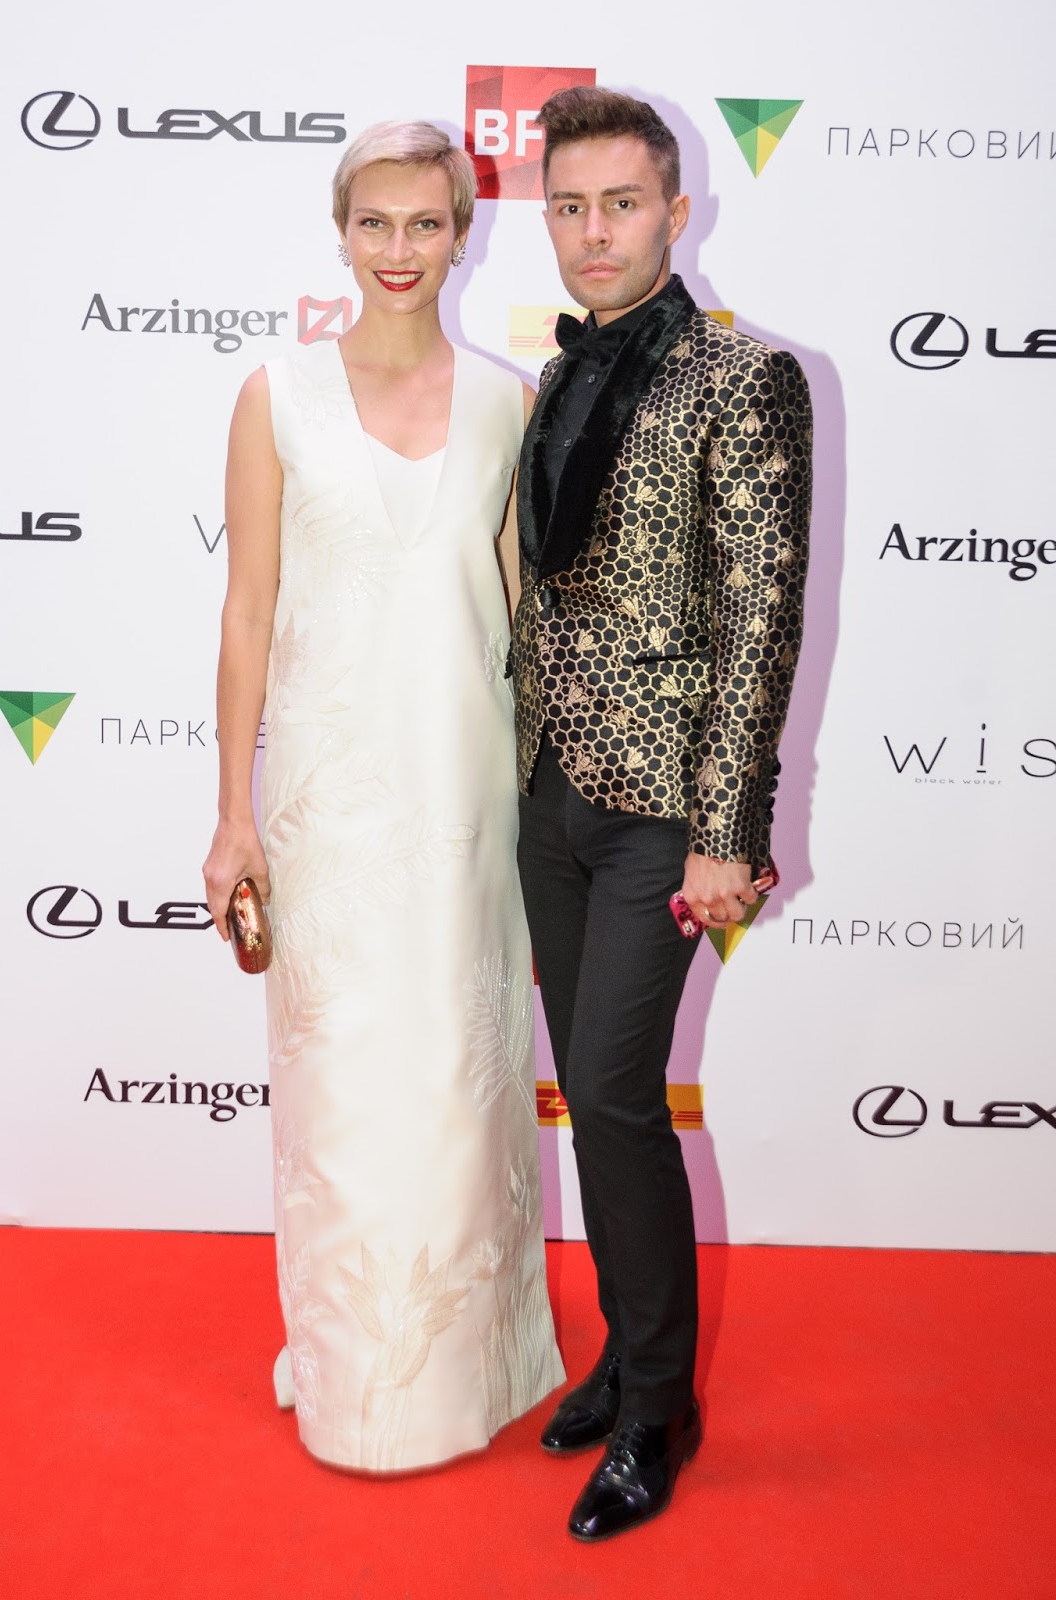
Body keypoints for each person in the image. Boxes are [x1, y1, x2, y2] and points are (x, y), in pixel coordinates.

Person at [203, 120, 563, 1474]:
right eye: (375, 223)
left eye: (425, 223)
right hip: (327, 802)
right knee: (348, 1090)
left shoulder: (507, 403)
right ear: (341, 233)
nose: (398, 249)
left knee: (461, 1088)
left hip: (469, 791)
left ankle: (480, 1364)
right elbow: (247, 613)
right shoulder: (274, 395)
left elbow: (523, 619)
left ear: (463, 233)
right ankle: (357, 1384)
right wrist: (233, 814)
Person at [512, 87, 812, 1539]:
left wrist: (726, 830)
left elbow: (761, 623)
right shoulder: (552, 374)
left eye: (620, 203)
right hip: (546, 796)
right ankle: (632, 1361)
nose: (593, 232)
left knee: (622, 1097)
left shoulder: (745, 378)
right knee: (590, 1094)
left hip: (663, 814)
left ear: (675, 212)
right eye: (568, 207)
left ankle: (657, 1412)